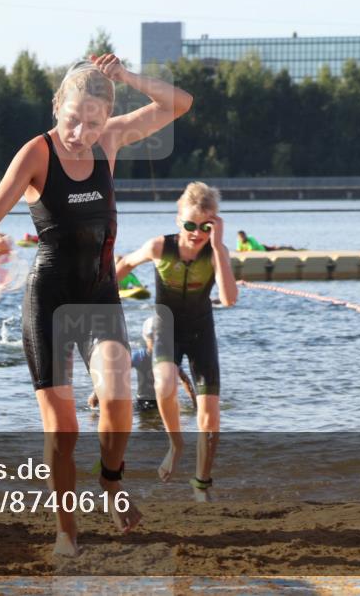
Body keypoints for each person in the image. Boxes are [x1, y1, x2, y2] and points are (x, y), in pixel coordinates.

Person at [0, 53, 192, 555]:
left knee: (117, 401)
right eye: (73, 120)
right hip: (49, 301)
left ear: (105, 118)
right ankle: (66, 530)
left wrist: (128, 78)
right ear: (57, 107)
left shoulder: (109, 140)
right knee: (64, 430)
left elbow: (179, 103)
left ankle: (111, 480)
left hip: (98, 296)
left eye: (93, 123)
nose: (81, 133)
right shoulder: (37, 153)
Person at [116, 182, 238, 502]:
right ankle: (175, 444)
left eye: (205, 226)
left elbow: (229, 299)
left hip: (200, 334)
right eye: (190, 225)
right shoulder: (160, 247)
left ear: (215, 225)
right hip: (166, 328)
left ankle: (201, 483)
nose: (197, 233)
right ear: (178, 220)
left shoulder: (216, 252)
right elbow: (126, 264)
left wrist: (218, 247)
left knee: (210, 417)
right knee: (164, 383)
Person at [88, 316, 197, 412]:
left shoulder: (168, 358)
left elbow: (184, 379)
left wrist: (194, 402)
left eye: (159, 337)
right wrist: (96, 392)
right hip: (143, 402)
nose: (156, 341)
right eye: (152, 337)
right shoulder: (140, 357)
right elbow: (116, 372)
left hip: (163, 400)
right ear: (145, 338)